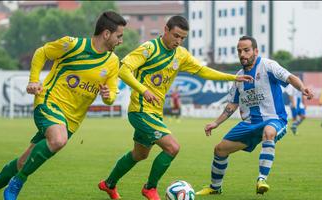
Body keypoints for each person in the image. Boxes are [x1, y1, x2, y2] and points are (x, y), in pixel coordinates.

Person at [0, 11, 126, 200]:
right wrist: (33, 80)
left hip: (71, 120)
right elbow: (42, 52)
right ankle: (18, 182)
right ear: (106, 34)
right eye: (119, 36)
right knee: (58, 139)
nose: (120, 41)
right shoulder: (73, 44)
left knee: (24, 161)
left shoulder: (112, 62)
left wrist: (108, 96)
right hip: (48, 102)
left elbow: (111, 95)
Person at [98, 16, 253, 200]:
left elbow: (203, 71)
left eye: (182, 38)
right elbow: (123, 69)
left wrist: (232, 78)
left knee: (139, 154)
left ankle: (108, 184)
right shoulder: (149, 49)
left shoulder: (181, 54)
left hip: (154, 113)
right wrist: (144, 90)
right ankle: (150, 188)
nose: (178, 41)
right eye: (176, 36)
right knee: (172, 147)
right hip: (140, 111)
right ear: (165, 29)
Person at [196, 36, 313, 196]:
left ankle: (261, 180)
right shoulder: (238, 77)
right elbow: (232, 104)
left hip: (274, 119)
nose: (242, 54)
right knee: (220, 150)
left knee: (269, 132)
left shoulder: (268, 66)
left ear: (255, 51)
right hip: (250, 124)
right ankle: (215, 188)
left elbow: (289, 77)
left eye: (246, 50)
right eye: (239, 51)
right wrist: (216, 123)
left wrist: (302, 87)